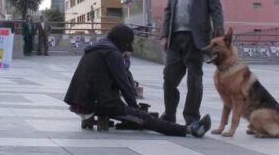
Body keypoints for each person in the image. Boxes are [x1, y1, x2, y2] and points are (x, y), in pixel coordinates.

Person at [64, 24, 210, 137]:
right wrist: (135, 109)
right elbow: (124, 86)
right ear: (123, 41)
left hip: (80, 102)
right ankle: (190, 130)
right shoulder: (112, 53)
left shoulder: (97, 48)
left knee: (138, 114)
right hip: (97, 104)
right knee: (144, 118)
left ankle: (184, 128)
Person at [160, 0, 224, 127]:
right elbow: (168, 10)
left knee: (194, 78)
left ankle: (191, 117)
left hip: (197, 39)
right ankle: (169, 115)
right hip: (175, 37)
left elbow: (216, 9)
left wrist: (219, 37)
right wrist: (164, 35)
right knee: (169, 77)